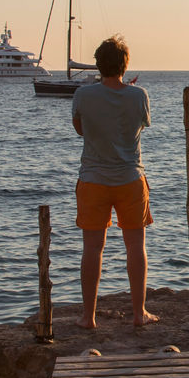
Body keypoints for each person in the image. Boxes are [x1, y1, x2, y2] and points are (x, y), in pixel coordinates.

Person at [70, 35, 158, 330]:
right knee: (135, 246)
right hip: (130, 178)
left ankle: (88, 317)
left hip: (93, 179)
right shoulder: (139, 95)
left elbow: (80, 130)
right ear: (125, 65)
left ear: (98, 64)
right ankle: (139, 313)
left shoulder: (83, 95)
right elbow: (142, 125)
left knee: (92, 249)